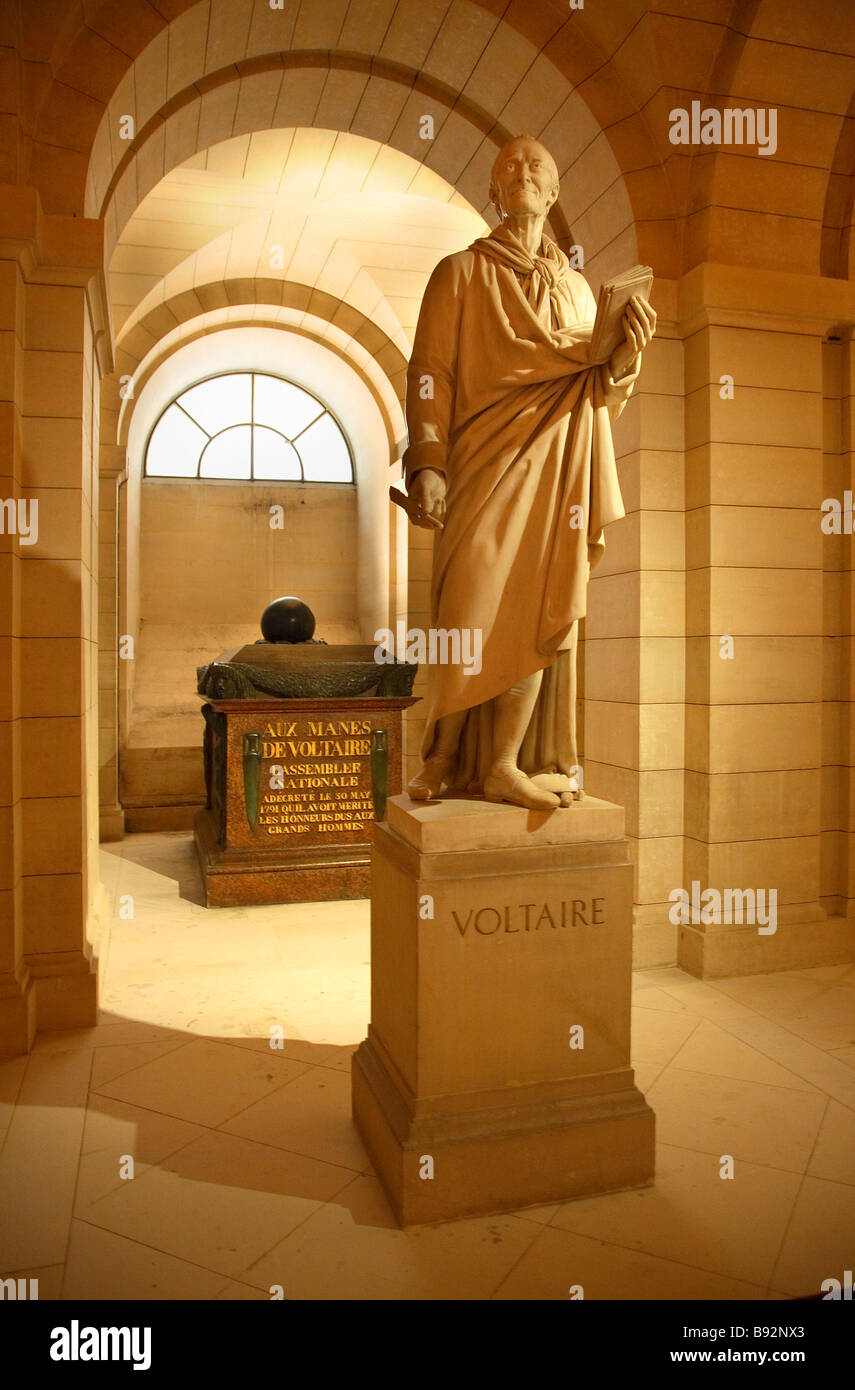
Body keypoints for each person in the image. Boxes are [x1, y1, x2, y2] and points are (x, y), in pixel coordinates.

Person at [402, 135, 656, 811]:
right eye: (508, 166)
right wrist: (426, 461)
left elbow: (593, 390)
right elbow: (430, 370)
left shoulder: (575, 289)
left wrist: (624, 355)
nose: (522, 172)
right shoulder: (459, 272)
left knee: (542, 609)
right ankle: (445, 758)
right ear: (494, 191)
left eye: (536, 166)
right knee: (472, 601)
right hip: (480, 461)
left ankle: (504, 765)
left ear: (552, 192)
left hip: (555, 467)